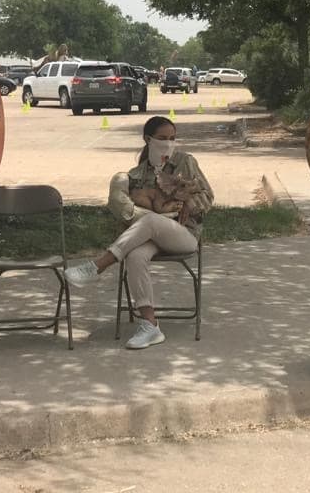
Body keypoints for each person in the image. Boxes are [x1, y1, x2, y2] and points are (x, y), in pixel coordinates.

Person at [64, 116, 213, 349]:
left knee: (152, 221)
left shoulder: (185, 162)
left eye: (173, 139)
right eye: (163, 138)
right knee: (135, 255)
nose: (169, 143)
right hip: (150, 233)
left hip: (184, 234)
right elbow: (126, 210)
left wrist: (186, 203)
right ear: (148, 139)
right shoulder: (136, 174)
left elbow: (207, 197)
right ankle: (150, 325)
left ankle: (98, 266)